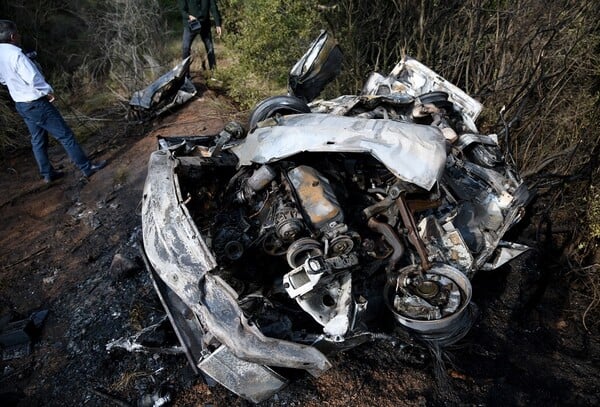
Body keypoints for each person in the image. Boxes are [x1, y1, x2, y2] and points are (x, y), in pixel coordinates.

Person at [0, 20, 106, 183]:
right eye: (18, 33)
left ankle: (47, 174)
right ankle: (86, 167)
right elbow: (33, 77)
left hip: (21, 104)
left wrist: (18, 86)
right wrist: (47, 91)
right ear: (12, 36)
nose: (20, 36)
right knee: (65, 135)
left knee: (38, 139)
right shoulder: (16, 54)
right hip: (36, 102)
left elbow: (3, 80)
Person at [178, 0, 222, 72]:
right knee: (185, 48)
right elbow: (182, 10)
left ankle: (214, 72)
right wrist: (189, 16)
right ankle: (185, 75)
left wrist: (218, 24)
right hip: (190, 25)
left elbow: (213, 7)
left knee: (210, 48)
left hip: (205, 24)